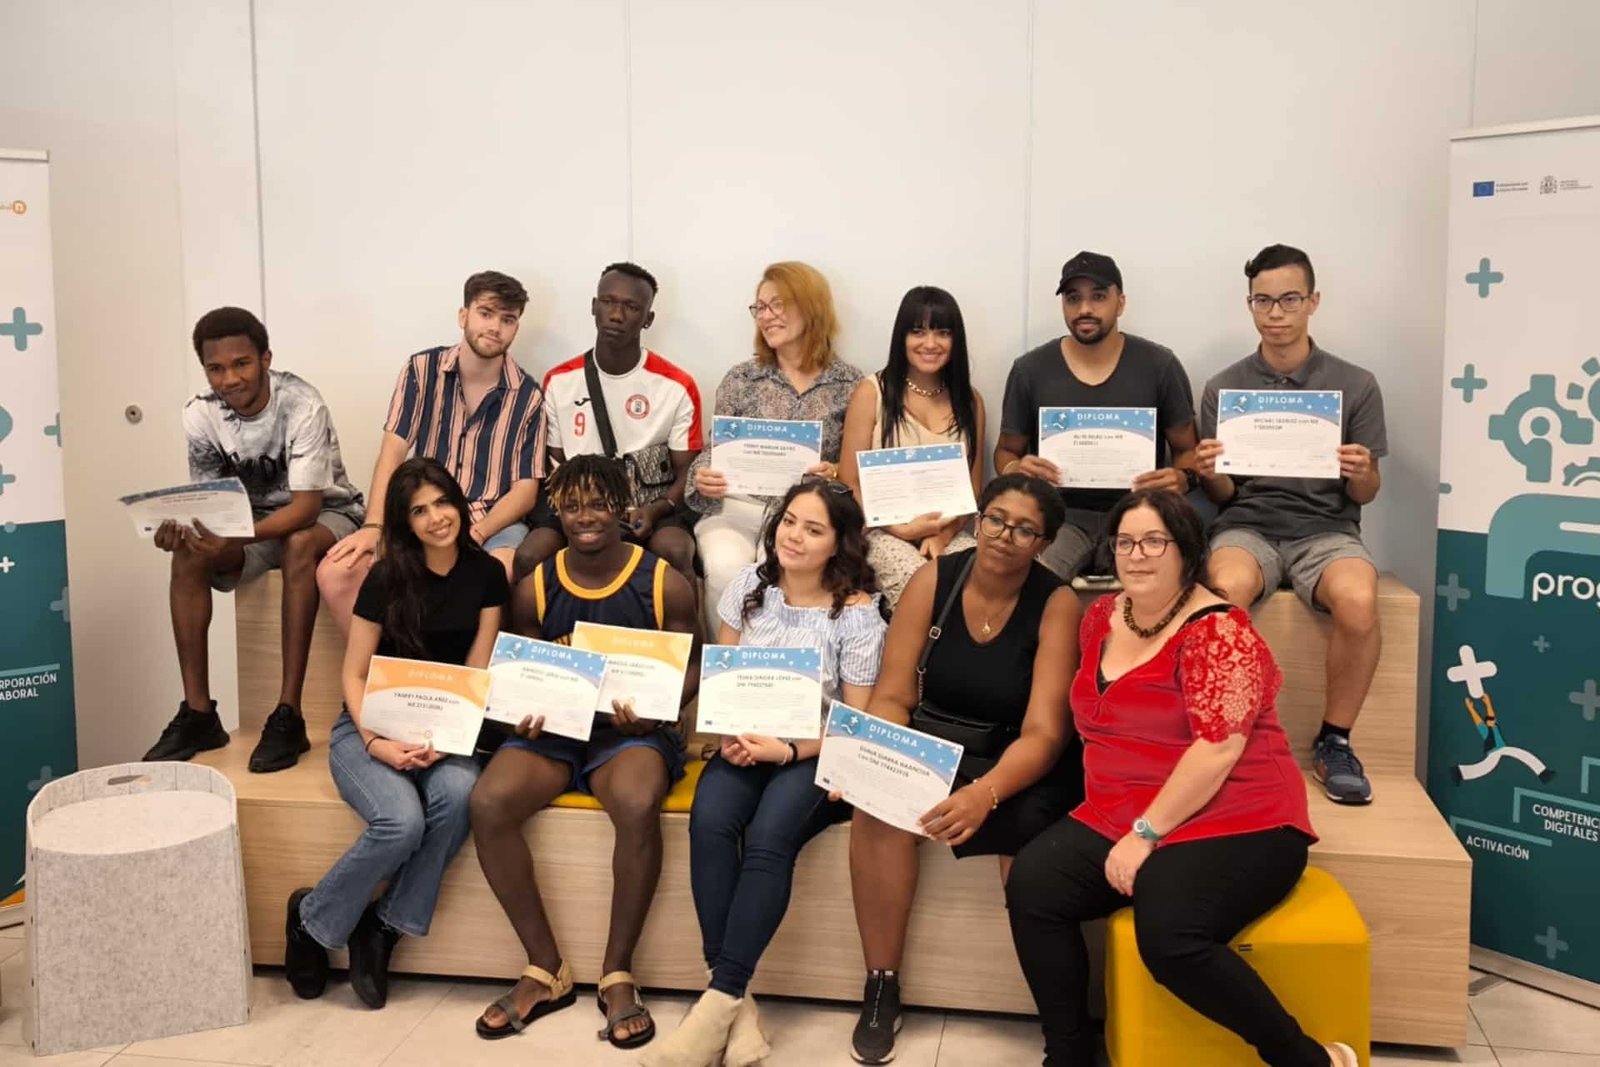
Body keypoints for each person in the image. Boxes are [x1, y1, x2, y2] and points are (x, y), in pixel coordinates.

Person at [1005, 489, 1356, 1067]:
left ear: (1186, 550)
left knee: (1169, 937)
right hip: (1121, 809)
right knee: (1034, 885)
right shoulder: (1102, 616)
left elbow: (1218, 751)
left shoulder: (1220, 632)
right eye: (1124, 543)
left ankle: (1307, 1059)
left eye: (1153, 542)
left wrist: (1145, 834)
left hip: (1239, 817)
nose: (1136, 555)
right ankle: (1068, 1054)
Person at [645, 478, 887, 1067]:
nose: (794, 537)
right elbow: (726, 677)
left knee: (770, 837)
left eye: (814, 529)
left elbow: (855, 722)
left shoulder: (857, 614)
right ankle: (734, 1005)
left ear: (839, 544)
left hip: (816, 753)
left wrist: (787, 750)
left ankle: (717, 1000)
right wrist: (728, 731)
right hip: (746, 742)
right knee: (710, 821)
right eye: (789, 522)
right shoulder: (750, 586)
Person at [845, 473, 1084, 1066]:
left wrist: (986, 794)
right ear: (978, 521)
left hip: (1013, 758)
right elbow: (893, 695)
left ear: (1044, 543)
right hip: (934, 743)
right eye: (995, 519)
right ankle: (881, 986)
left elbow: (1045, 733)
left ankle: (1056, 1014)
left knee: (1031, 848)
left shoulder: (1057, 603)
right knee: (875, 810)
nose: (1004, 536)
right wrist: (884, 758)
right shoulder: (934, 579)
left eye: (1024, 530)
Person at [469, 454, 700, 1049]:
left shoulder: (663, 580)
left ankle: (617, 972)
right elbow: (519, 668)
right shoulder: (536, 585)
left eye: (598, 504)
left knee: (637, 802)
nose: (585, 517)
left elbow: (693, 665)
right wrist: (521, 710)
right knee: (488, 802)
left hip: (630, 732)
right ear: (558, 512)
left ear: (621, 507)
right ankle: (545, 968)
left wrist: (659, 710)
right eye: (571, 507)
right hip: (557, 731)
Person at [282, 458, 504, 1010]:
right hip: (368, 727)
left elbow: (476, 673)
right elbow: (354, 674)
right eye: (419, 511)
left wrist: (445, 740)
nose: (436, 518)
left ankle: (382, 928)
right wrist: (376, 742)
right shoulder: (385, 577)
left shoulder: (487, 575)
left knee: (458, 795)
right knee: (401, 822)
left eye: (442, 502)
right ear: (405, 523)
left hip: (447, 730)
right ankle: (311, 922)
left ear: (460, 504)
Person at [1194, 244, 1387, 805]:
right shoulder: (1224, 387)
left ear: (1313, 301)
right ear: (1249, 304)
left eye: (1289, 300)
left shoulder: (1356, 383)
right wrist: (1211, 474)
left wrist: (1363, 472)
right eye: (1263, 301)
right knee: (1224, 590)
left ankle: (1335, 741)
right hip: (1247, 526)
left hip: (1328, 529)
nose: (1275, 313)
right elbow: (1225, 496)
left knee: (1359, 599)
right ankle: (1227, 736)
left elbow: (1366, 494)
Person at [143, 307, 364, 773]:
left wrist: (237, 540)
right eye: (216, 368)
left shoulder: (302, 403)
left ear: (266, 359)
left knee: (300, 542)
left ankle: (289, 715)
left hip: (330, 513)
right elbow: (212, 504)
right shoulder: (200, 413)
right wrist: (187, 533)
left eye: (241, 363)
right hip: (252, 522)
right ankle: (200, 715)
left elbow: (306, 508)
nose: (230, 378)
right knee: (186, 554)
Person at [317, 270, 547, 634]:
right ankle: (385, 665)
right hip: (421, 511)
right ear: (463, 315)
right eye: (486, 313)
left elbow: (525, 490)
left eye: (508, 319)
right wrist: (375, 525)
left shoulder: (529, 396)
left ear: (516, 327)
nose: (495, 327)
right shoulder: (422, 370)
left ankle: (466, 671)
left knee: (495, 572)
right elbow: (392, 453)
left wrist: (477, 534)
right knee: (336, 572)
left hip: (491, 521)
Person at [994, 251, 1199, 581]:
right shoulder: (1030, 370)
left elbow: (1187, 449)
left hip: (1140, 515)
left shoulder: (1159, 365)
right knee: (1034, 581)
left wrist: (1183, 478)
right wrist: (1014, 469)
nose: (1085, 309)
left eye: (1098, 297)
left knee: (1164, 584)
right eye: (1073, 298)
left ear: (1121, 303)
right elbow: (1006, 450)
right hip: (1060, 519)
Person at [686, 261, 864, 634]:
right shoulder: (741, 378)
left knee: (784, 568)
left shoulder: (850, 384)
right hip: (736, 506)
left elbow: (854, 465)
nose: (765, 317)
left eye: (777, 305)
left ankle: (776, 662)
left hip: (804, 515)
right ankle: (725, 663)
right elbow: (713, 450)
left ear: (810, 306)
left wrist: (833, 471)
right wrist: (702, 476)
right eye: (760, 308)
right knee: (725, 567)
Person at [516, 262, 703, 589]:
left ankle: (685, 624)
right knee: (528, 556)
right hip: (579, 502)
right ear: (594, 306)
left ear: (647, 318)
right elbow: (555, 463)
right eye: (608, 302)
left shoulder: (677, 385)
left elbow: (688, 470)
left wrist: (655, 510)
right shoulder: (560, 380)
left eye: (631, 307)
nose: (616, 315)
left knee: (675, 550)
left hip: (650, 504)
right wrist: (583, 511)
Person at [838, 285, 984, 606]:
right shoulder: (871, 392)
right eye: (918, 332)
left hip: (948, 532)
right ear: (901, 337)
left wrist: (942, 535)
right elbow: (849, 482)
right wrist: (902, 529)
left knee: (978, 581)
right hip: (882, 532)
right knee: (919, 584)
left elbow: (972, 490)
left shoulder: (971, 401)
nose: (930, 343)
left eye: (942, 333)